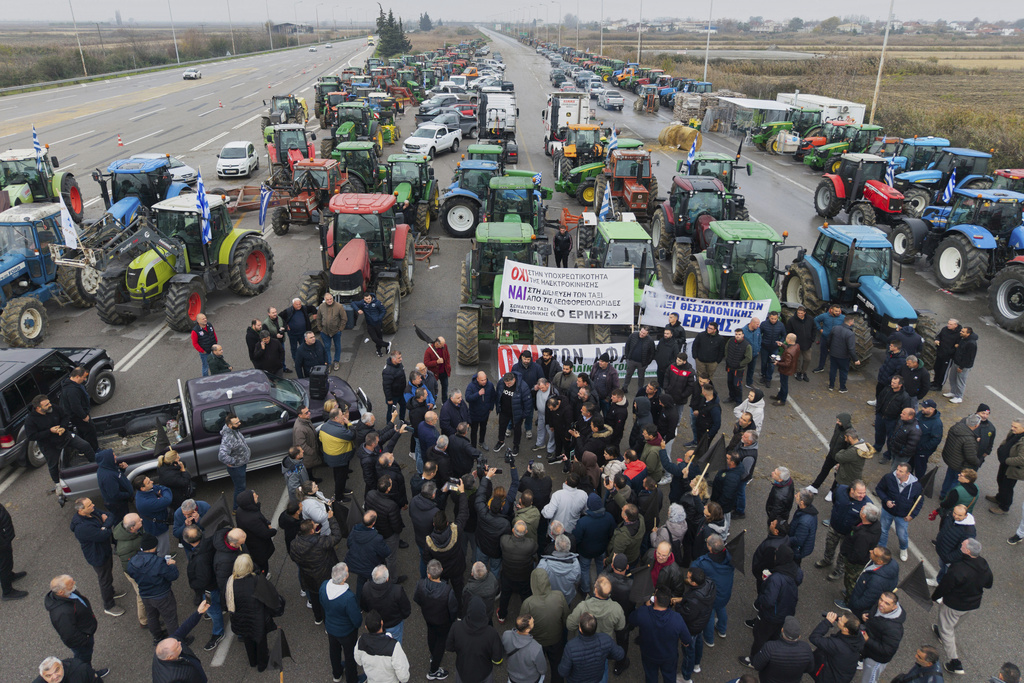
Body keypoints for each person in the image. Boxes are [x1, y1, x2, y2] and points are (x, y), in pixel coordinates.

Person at [931, 538, 993, 675]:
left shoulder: (958, 567)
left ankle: (955, 663)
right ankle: (941, 633)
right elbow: (989, 583)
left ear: (967, 551)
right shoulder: (983, 563)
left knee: (947, 629)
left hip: (954, 604)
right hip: (972, 604)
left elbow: (945, 586)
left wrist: (934, 597)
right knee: (953, 624)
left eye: (963, 546)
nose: (960, 546)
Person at [742, 543, 803, 665]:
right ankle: (771, 657)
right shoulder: (796, 571)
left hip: (771, 615)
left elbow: (768, 600)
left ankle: (754, 661)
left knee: (760, 637)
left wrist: (762, 597)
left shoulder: (776, 578)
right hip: (787, 611)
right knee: (775, 637)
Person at [226, 553, 285, 672]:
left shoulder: (231, 581)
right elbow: (271, 597)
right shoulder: (257, 580)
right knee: (261, 642)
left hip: (240, 618)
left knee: (248, 640)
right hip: (257, 618)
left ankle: (252, 661)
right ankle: (262, 664)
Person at [26, 394, 96, 490]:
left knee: (85, 445)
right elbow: (32, 436)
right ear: (38, 408)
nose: (50, 405)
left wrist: (63, 427)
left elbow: (65, 417)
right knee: (53, 465)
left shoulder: (54, 408)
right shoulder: (30, 420)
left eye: (49, 402)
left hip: (65, 436)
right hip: (49, 445)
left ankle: (95, 464)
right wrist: (50, 431)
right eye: (46, 405)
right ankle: (58, 484)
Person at [70, 498, 124, 617]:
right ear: (81, 510)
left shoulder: (91, 512)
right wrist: (105, 527)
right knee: (104, 578)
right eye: (89, 505)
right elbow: (103, 535)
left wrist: (104, 526)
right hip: (97, 556)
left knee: (108, 574)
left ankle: (111, 592)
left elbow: (110, 516)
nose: (93, 505)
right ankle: (109, 605)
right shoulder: (82, 527)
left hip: (104, 550)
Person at [44, 575, 107, 675]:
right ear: (61, 592)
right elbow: (69, 635)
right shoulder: (61, 613)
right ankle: (88, 676)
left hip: (85, 633)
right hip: (82, 642)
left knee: (83, 659)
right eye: (71, 584)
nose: (74, 584)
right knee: (83, 660)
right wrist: (85, 639)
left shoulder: (67, 593)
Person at [629, 587, 691, 683]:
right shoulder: (677, 618)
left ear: (655, 599)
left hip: (649, 654)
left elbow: (631, 619)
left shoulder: (643, 613)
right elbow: (687, 639)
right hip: (669, 656)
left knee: (650, 676)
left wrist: (646, 606)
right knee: (670, 677)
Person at [127, 535, 180, 646]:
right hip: (162, 594)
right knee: (170, 618)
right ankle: (175, 641)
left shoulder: (132, 562)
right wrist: (172, 566)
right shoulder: (158, 562)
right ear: (153, 547)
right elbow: (173, 576)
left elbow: (131, 574)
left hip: (145, 594)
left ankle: (157, 637)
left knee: (152, 616)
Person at [181, 526, 225, 652]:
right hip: (216, 581)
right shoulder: (210, 541)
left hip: (209, 588)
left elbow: (203, 580)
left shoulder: (199, 558)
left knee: (213, 609)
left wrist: (194, 585)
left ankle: (218, 632)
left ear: (187, 541)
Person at [414, 559, 460, 681]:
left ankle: (432, 655)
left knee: (431, 634)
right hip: (443, 622)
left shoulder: (420, 585)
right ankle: (433, 670)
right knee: (441, 642)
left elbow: (417, 599)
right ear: (441, 571)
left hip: (428, 618)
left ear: (428, 574)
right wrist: (452, 620)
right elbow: (453, 609)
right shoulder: (447, 591)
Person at [815, 481, 868, 579]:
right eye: (860, 493)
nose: (862, 496)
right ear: (852, 490)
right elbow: (835, 500)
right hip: (834, 527)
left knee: (844, 554)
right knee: (829, 545)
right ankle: (827, 560)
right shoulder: (840, 490)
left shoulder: (866, 504)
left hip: (848, 535)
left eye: (864, 493)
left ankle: (839, 571)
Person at [446, 595, 505, 683]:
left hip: (463, 671)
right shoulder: (491, 633)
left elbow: (449, 647)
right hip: (484, 673)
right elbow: (497, 657)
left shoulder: (456, 627)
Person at [320, 562, 362, 683]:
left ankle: (337, 674)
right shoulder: (348, 597)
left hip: (331, 628)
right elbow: (356, 619)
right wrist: (356, 625)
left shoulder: (324, 587)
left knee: (334, 651)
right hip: (347, 632)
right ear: (344, 577)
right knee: (349, 656)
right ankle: (352, 679)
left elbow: (322, 603)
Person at [151, 601, 212, 683]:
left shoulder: (164, 652)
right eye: (177, 646)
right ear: (170, 657)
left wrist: (199, 612)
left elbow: (183, 629)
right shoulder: (173, 679)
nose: (180, 643)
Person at [559, 612, 625, 683]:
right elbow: (620, 654)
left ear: (580, 629)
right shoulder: (605, 639)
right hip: (596, 678)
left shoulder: (571, 647)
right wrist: (606, 654)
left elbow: (563, 672)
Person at [875, 463, 924, 561]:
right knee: (883, 530)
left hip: (903, 515)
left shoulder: (916, 486)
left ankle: (903, 548)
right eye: (897, 469)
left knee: (902, 535)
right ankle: (881, 548)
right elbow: (879, 489)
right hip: (887, 511)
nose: (897, 472)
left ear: (908, 474)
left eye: (901, 471)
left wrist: (912, 515)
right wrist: (886, 500)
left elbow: (919, 502)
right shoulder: (889, 478)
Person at [748, 615, 815, 683]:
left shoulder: (770, 647)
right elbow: (810, 668)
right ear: (799, 636)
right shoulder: (806, 648)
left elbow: (757, 665)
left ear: (782, 630)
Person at [859, 591, 906, 683]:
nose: (881, 604)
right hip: (868, 650)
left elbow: (888, 651)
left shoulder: (894, 629)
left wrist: (868, 640)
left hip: (875, 659)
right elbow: (872, 614)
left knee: (869, 680)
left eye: (887, 603)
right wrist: (865, 614)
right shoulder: (881, 607)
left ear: (894, 607)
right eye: (881, 599)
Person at [346, 511, 393, 601]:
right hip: (371, 566)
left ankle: (359, 603)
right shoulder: (376, 538)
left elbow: (349, 544)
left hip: (357, 564)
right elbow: (386, 552)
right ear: (373, 523)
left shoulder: (354, 530)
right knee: (376, 584)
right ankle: (378, 602)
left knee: (361, 582)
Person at [838, 504, 882, 597]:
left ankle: (848, 601)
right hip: (857, 559)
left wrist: (849, 558)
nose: (860, 509)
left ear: (864, 516)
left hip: (855, 564)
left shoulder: (863, 536)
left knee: (851, 581)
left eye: (862, 510)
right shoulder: (874, 525)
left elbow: (858, 554)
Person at [839, 546, 899, 615]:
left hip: (858, 606)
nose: (870, 551)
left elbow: (867, 600)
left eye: (873, 553)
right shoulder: (890, 564)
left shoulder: (876, 582)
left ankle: (848, 605)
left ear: (880, 561)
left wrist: (854, 604)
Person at [356, 610, 411, 683]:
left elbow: (358, 661)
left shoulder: (361, 641)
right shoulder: (394, 646)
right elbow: (403, 676)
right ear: (382, 623)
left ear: (366, 627)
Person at [809, 612, 864, 683]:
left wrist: (827, 622)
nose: (839, 618)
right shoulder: (858, 636)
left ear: (846, 629)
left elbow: (814, 638)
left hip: (829, 678)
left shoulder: (837, 645)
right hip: (843, 676)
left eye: (841, 620)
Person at [938, 414, 981, 500]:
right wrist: (977, 462)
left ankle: (943, 494)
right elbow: (971, 457)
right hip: (960, 464)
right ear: (976, 425)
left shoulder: (955, 428)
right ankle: (948, 498)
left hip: (951, 459)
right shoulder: (969, 439)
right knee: (956, 481)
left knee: (949, 477)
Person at [235, 491, 277, 575]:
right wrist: (273, 531)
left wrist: (266, 522)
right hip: (258, 547)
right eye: (254, 496)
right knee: (262, 564)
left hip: (250, 544)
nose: (257, 496)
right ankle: (263, 575)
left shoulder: (241, 510)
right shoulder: (252, 519)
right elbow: (265, 533)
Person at [132, 474, 173, 557]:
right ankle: (164, 561)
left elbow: (162, 488)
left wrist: (162, 494)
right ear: (142, 488)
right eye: (148, 482)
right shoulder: (145, 502)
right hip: (157, 527)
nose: (152, 482)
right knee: (163, 546)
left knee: (157, 544)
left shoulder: (146, 491)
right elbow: (167, 499)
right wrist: (163, 495)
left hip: (153, 524)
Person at [933, 505, 976, 583]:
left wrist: (949, 558)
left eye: (960, 515)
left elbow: (962, 550)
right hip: (944, 553)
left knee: (948, 575)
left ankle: (942, 589)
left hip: (950, 559)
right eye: (955, 513)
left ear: (966, 515)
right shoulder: (951, 517)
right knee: (943, 569)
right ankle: (938, 581)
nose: (956, 516)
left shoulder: (969, 531)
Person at [59, 367, 98, 451]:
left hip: (76, 416)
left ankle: (82, 450)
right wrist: (84, 416)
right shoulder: (72, 391)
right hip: (78, 416)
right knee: (90, 431)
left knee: (81, 431)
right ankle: (94, 450)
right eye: (83, 377)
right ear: (77, 376)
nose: (85, 379)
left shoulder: (73, 385)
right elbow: (75, 406)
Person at [217, 412, 251, 509]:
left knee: (241, 487)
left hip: (241, 464)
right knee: (240, 488)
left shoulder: (234, 430)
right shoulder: (228, 438)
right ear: (229, 425)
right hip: (237, 468)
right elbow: (222, 456)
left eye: (238, 421)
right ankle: (236, 508)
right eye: (236, 423)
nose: (239, 423)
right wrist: (234, 461)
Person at [321, 408, 356, 501]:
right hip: (340, 458)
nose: (343, 417)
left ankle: (341, 490)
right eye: (342, 416)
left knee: (338, 475)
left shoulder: (324, 426)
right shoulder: (339, 431)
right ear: (336, 418)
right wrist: (348, 423)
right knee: (341, 477)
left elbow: (321, 439)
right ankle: (339, 497)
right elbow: (352, 435)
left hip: (331, 457)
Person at [990, 419, 1024, 515]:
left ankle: (1004, 507)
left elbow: (1022, 459)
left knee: (1007, 487)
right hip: (1006, 464)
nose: (1012, 428)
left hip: (1013, 469)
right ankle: (999, 497)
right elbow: (1007, 441)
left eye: (1015, 427)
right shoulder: (1014, 433)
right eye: (1012, 426)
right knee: (1000, 480)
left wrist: (1006, 460)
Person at [494, 372, 530, 456]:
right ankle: (501, 441)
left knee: (517, 430)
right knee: (502, 427)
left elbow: (527, 402)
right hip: (504, 411)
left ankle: (516, 445)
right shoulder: (501, 383)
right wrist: (498, 406)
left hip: (516, 413)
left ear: (514, 380)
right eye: (506, 383)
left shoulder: (523, 386)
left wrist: (523, 415)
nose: (507, 385)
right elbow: (498, 395)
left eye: (509, 383)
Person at [94, 449, 133, 527]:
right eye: (113, 455)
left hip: (119, 503)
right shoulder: (108, 476)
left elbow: (117, 476)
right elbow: (114, 494)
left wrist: (122, 469)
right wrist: (129, 494)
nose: (115, 457)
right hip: (117, 505)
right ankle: (120, 536)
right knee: (120, 521)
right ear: (108, 458)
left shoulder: (109, 467)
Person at [503, 615, 547, 683]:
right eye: (533, 622)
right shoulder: (536, 647)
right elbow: (542, 669)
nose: (534, 622)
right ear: (527, 630)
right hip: (531, 680)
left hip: (513, 678)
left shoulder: (506, 635)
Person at [943, 326, 977, 404]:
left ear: (968, 333)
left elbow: (969, 357)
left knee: (960, 381)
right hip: (956, 362)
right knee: (952, 378)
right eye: (961, 331)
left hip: (963, 366)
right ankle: (953, 392)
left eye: (963, 332)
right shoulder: (963, 339)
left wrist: (961, 367)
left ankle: (959, 397)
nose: (960, 332)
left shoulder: (971, 344)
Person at [0, 502, 26, 601]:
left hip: (4, 536)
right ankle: (7, 592)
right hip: (2, 542)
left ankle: (9, 576)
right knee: (4, 564)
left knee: (7, 561)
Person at [316, 292, 347, 372]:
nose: (329, 301)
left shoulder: (339, 306)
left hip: (336, 332)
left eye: (331, 299)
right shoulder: (321, 307)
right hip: (325, 332)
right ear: (324, 300)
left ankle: (336, 361)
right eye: (327, 299)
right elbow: (318, 318)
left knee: (337, 346)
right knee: (327, 348)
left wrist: (340, 329)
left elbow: (344, 318)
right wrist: (320, 328)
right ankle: (329, 364)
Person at [466, 372, 497, 450]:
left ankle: (481, 442)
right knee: (474, 431)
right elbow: (468, 398)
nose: (484, 382)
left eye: (485, 379)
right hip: (474, 414)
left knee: (483, 428)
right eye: (482, 380)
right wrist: (478, 394)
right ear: (477, 379)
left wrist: (491, 408)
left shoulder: (490, 385)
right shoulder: (471, 386)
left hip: (485, 413)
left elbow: (493, 397)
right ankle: (473, 446)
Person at [788, 488, 819, 565]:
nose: (795, 496)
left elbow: (798, 540)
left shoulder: (804, 521)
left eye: (797, 496)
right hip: (800, 547)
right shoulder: (807, 510)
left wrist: (784, 540)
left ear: (802, 502)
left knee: (793, 565)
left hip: (797, 550)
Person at [354, 291, 389, 356]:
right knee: (374, 338)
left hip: (378, 324)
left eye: (369, 298)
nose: (368, 300)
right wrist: (357, 310)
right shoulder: (363, 303)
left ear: (371, 297)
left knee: (379, 337)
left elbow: (383, 310)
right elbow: (353, 303)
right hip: (370, 324)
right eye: (366, 299)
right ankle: (387, 344)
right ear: (364, 299)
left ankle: (379, 351)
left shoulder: (377, 303)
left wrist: (379, 318)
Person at [787, 306, 816, 382]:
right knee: (797, 360)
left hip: (807, 344)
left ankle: (803, 372)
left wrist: (812, 339)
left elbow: (814, 329)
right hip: (796, 345)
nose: (799, 314)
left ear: (804, 313)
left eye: (801, 313)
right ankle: (797, 372)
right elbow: (789, 331)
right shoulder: (792, 320)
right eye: (798, 313)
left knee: (808, 359)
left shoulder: (810, 319)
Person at [828, 315, 857, 393]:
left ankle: (831, 386)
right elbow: (851, 348)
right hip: (843, 357)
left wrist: (829, 348)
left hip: (833, 354)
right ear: (850, 322)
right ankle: (842, 388)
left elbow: (829, 339)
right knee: (843, 372)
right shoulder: (850, 334)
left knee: (833, 370)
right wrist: (855, 359)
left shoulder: (835, 328)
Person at [759, 310, 787, 389]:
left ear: (777, 318)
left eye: (775, 319)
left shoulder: (781, 325)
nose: (773, 320)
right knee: (764, 363)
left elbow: (784, 335)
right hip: (764, 347)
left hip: (774, 348)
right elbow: (759, 334)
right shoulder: (764, 324)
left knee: (772, 364)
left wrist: (780, 342)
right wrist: (761, 341)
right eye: (772, 318)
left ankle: (768, 379)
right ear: (769, 317)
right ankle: (763, 375)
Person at [724, 328, 753, 404]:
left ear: (743, 335)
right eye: (736, 334)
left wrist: (740, 364)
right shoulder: (730, 341)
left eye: (739, 334)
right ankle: (731, 397)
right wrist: (728, 359)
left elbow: (748, 358)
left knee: (737, 385)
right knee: (729, 383)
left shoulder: (747, 345)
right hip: (730, 367)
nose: (737, 336)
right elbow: (726, 350)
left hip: (739, 369)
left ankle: (739, 401)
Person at [931, 319, 961, 390]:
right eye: (948, 323)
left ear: (955, 325)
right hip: (940, 352)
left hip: (948, 356)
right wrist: (937, 340)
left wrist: (950, 351)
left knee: (943, 371)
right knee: (936, 368)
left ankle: (939, 385)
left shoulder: (958, 334)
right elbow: (939, 336)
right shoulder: (944, 329)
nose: (948, 325)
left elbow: (958, 346)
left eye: (950, 324)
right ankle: (935, 381)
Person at [772, 333, 800, 406]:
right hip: (791, 369)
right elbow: (788, 348)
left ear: (789, 340)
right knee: (783, 383)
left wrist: (777, 363)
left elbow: (787, 363)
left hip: (785, 370)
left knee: (784, 384)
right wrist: (782, 345)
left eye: (786, 338)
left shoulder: (788, 352)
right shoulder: (796, 346)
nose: (785, 339)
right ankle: (780, 396)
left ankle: (782, 400)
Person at [32, 655, 104, 683]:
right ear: (43, 677)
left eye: (56, 670)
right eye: (48, 675)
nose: (54, 676)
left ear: (61, 665)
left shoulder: (80, 669)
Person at [424, 337, 452, 404]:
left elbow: (447, 356)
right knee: (433, 389)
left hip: (444, 371)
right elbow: (426, 363)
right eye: (442, 344)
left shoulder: (444, 346)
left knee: (445, 387)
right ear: (437, 343)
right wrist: (436, 362)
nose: (443, 346)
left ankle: (444, 402)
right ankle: (432, 402)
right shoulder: (429, 351)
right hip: (434, 373)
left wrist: (448, 365)